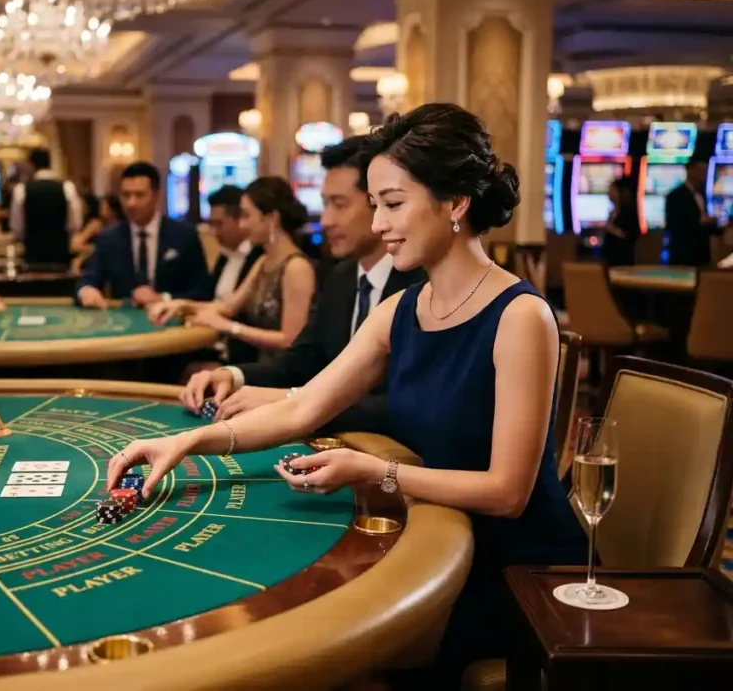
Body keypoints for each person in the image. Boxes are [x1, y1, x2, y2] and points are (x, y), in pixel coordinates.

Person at [108, 104, 587, 687]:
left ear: (456, 202)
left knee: (330, 651)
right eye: (375, 204)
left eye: (393, 203)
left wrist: (376, 471)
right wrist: (188, 442)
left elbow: (508, 492)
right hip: (435, 534)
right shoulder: (399, 311)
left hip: (516, 568)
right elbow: (305, 405)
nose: (379, 223)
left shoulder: (521, 316)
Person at [181, 136, 425, 432]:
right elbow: (301, 360)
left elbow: (404, 404)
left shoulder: (422, 284)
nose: (326, 220)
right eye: (324, 204)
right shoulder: (342, 276)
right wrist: (232, 375)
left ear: (379, 203)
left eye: (339, 204)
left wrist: (292, 400)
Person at [148, 176, 315, 366]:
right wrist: (180, 304)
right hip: (260, 368)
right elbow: (228, 307)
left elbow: (290, 339)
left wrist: (230, 327)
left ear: (271, 219)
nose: (242, 225)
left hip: (283, 376)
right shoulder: (263, 261)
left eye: (246, 216)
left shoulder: (296, 267)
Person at [77, 162, 212, 308]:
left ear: (156, 196)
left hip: (173, 321)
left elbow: (202, 290)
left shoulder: (184, 235)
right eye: (126, 195)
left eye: (140, 195)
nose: (131, 203)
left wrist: (162, 298)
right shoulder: (109, 238)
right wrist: (87, 291)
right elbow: (88, 278)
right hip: (126, 322)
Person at [9, 147, 82, 266]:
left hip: (33, 252)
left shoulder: (21, 189)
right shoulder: (67, 187)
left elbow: (17, 227)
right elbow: (76, 223)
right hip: (60, 251)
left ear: (31, 164)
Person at [665, 160, 722, 266]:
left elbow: (705, 225)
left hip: (701, 255)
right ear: (689, 170)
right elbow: (675, 225)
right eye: (699, 170)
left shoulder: (701, 194)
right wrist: (702, 221)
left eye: (705, 170)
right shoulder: (675, 195)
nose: (703, 174)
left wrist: (721, 228)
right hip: (683, 255)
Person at [600, 178, 639, 266]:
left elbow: (631, 235)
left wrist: (612, 229)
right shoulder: (612, 212)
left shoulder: (628, 212)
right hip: (609, 256)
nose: (609, 193)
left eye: (612, 190)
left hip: (622, 257)